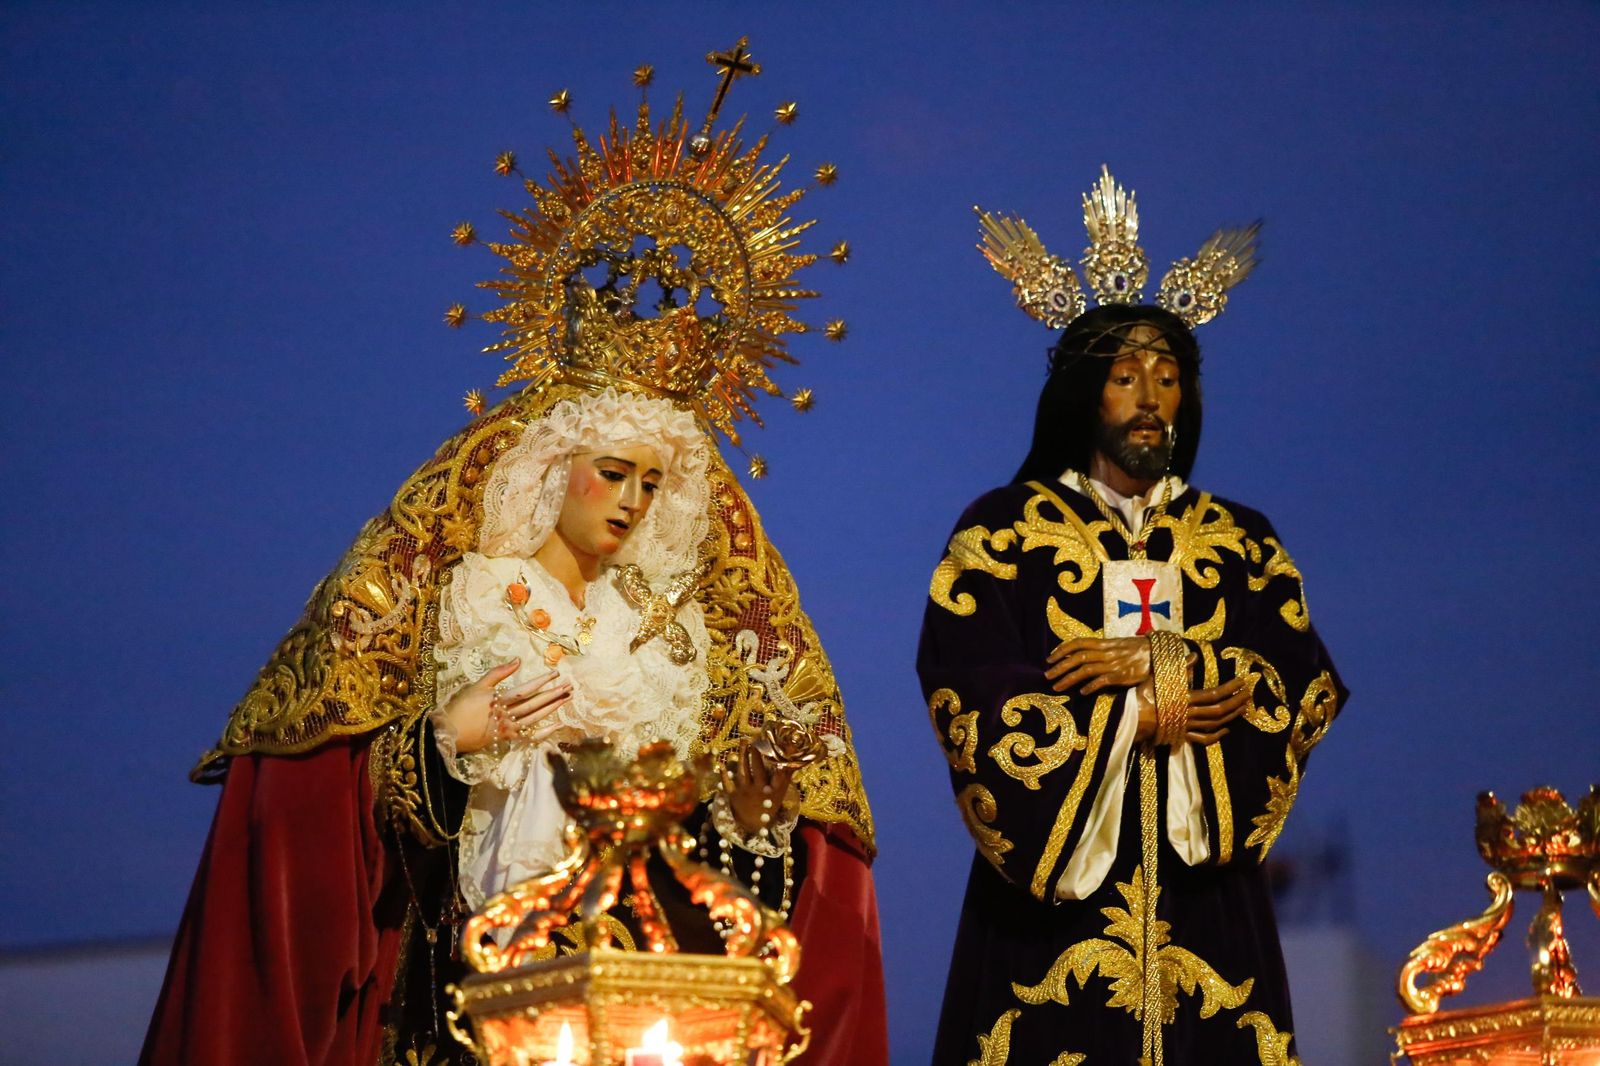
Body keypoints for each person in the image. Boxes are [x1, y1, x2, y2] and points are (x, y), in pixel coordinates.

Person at [142, 50, 886, 1066]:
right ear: (552, 468)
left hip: (651, 1000)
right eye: (612, 472)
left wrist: (752, 814)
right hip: (479, 986)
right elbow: (332, 811)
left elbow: (712, 848)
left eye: (651, 483)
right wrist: (451, 736)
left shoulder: (671, 637)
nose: (631, 501)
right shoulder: (465, 596)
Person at [921, 169, 1346, 1065]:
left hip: (1208, 907)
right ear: (1086, 395)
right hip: (1048, 915)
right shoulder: (1004, 533)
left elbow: (1302, 685)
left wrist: (1170, 661)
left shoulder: (1241, 540)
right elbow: (967, 684)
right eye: (1124, 377)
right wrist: (1136, 719)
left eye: (1168, 377)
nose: (1150, 398)